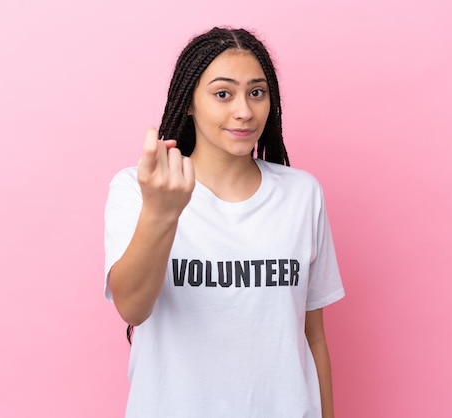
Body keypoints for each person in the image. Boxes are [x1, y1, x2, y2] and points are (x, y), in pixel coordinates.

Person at [104, 27, 345, 418]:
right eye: (222, 94)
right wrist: (161, 211)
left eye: (256, 92)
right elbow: (132, 308)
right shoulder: (138, 188)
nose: (244, 111)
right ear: (189, 103)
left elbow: (313, 336)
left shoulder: (302, 194)